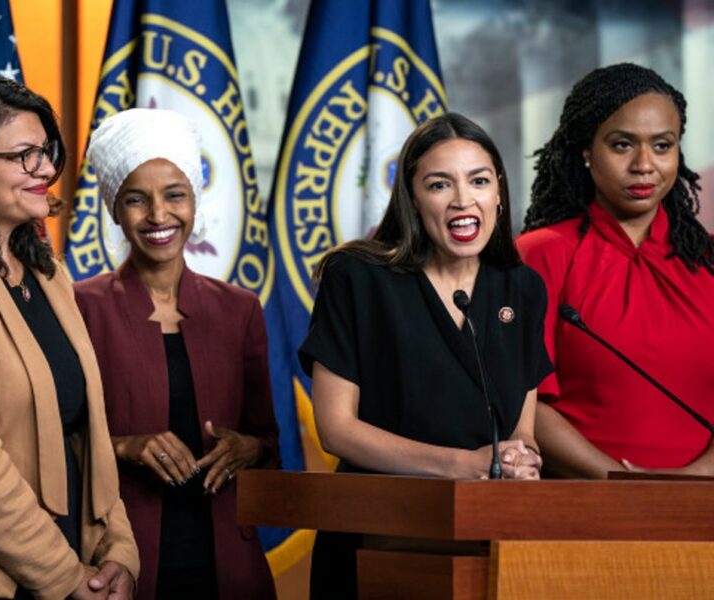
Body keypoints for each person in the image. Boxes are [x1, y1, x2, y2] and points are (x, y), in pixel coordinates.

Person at [299, 113, 552, 598]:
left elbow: (520, 429)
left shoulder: (521, 287)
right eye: (439, 184)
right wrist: (465, 465)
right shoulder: (356, 278)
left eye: (478, 180)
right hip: (375, 532)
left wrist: (520, 460)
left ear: (498, 190)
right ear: (412, 198)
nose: (463, 200)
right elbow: (336, 429)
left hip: (486, 542)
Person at [0, 74, 139, 599]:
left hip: (69, 568)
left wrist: (119, 555)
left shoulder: (49, 275)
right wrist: (63, 576)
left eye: (47, 151)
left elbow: (89, 437)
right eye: (24, 155)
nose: (45, 169)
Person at [75, 108, 280, 599]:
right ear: (114, 210)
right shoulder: (79, 307)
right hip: (123, 559)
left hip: (229, 558)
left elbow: (268, 440)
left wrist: (248, 448)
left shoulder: (241, 309)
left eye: (174, 195)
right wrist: (125, 446)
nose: (159, 215)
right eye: (136, 200)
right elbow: (55, 442)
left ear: (194, 200)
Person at [517, 63, 714, 479]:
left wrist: (694, 479)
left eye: (662, 145)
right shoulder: (539, 256)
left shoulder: (708, 260)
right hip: (583, 506)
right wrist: (620, 484)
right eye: (623, 145)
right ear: (587, 151)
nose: (645, 164)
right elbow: (526, 405)